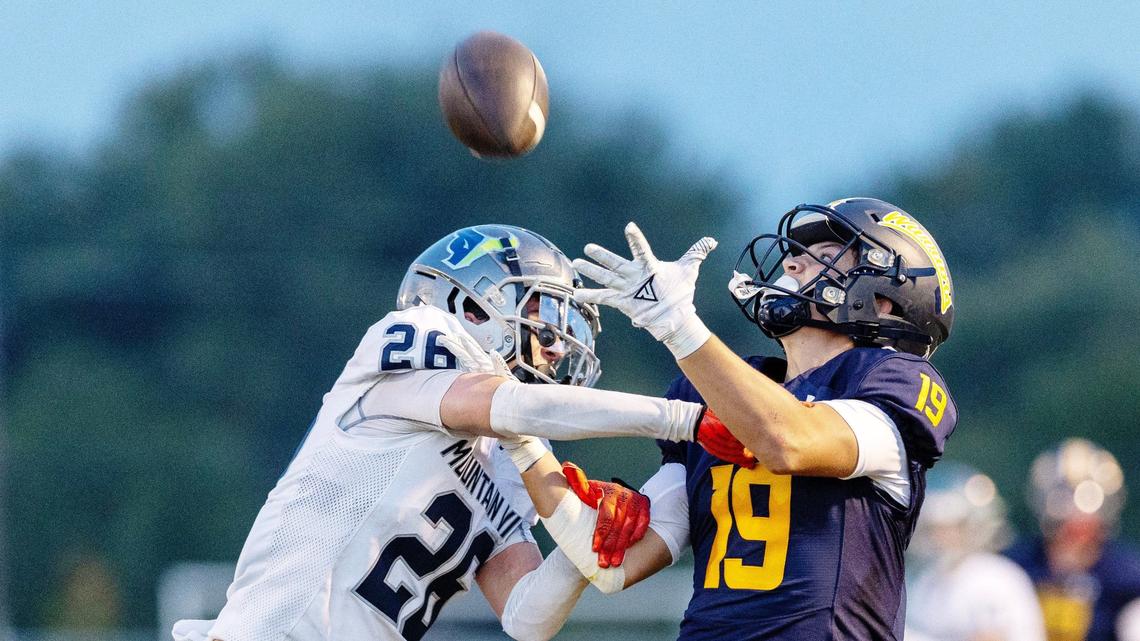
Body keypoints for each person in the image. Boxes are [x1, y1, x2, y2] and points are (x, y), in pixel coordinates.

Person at [171, 224, 747, 641]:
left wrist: (583, 546)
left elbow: (526, 618)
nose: (553, 343)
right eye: (543, 313)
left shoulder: (510, 450)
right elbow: (506, 405)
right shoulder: (415, 338)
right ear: (476, 304)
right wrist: (681, 418)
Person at [569, 197, 960, 639]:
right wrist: (518, 441)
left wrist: (676, 323)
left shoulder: (892, 380)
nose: (792, 265)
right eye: (794, 255)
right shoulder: (719, 388)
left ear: (885, 300)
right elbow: (612, 563)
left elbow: (787, 440)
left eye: (826, 258)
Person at [1005, 439, 1140, 641]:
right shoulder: (1014, 566)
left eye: (1087, 498)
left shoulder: (1127, 575)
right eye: (1064, 499)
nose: (1076, 513)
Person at [905, 461, 1045, 641]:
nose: (941, 537)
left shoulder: (994, 579)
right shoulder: (920, 580)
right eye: (933, 527)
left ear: (974, 525)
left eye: (953, 527)